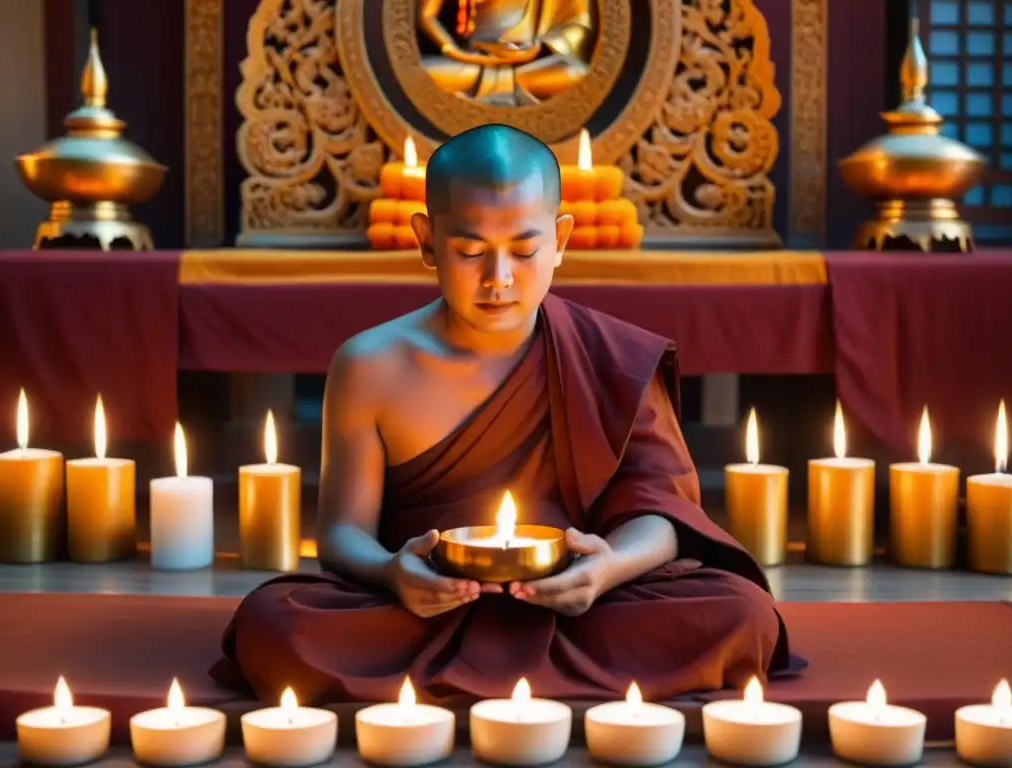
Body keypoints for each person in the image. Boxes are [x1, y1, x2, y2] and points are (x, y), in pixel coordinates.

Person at [210, 124, 803, 706]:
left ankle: (438, 684)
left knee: (742, 614)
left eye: (524, 250)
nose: (498, 279)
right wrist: (394, 573)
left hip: (579, 601)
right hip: (423, 606)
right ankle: (557, 683)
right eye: (469, 251)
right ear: (425, 241)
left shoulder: (609, 354)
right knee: (273, 625)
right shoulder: (370, 363)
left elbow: (665, 510)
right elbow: (341, 534)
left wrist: (609, 567)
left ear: (562, 239)